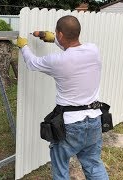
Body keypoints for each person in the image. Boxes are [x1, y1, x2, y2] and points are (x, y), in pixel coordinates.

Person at [16, 15, 109, 180]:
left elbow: (32, 62)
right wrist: (53, 40)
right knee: (94, 165)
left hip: (70, 125)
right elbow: (74, 49)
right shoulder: (93, 50)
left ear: (59, 34)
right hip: (94, 120)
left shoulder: (57, 61)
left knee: (61, 170)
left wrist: (24, 46)